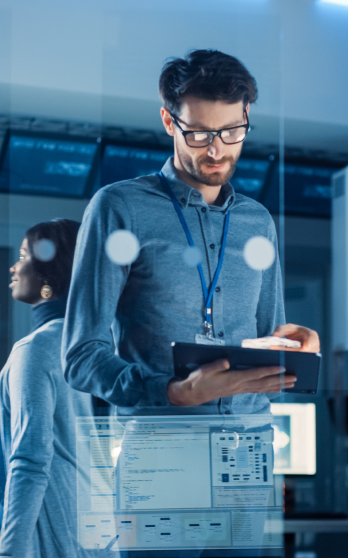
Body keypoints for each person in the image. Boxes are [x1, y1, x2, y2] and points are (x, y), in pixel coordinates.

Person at [62, 49, 319, 416]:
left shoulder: (258, 221)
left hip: (249, 447)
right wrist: (172, 391)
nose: (217, 149)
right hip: (161, 449)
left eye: (231, 131)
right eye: (198, 133)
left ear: (246, 117)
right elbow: (81, 357)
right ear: (169, 121)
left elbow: (268, 357)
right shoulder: (120, 208)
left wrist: (293, 349)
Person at [0, 219, 93, 558]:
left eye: (23, 256)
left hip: (50, 526)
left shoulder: (36, 349)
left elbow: (30, 461)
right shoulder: (86, 344)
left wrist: (10, 553)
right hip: (88, 522)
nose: (13, 267)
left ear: (48, 274)